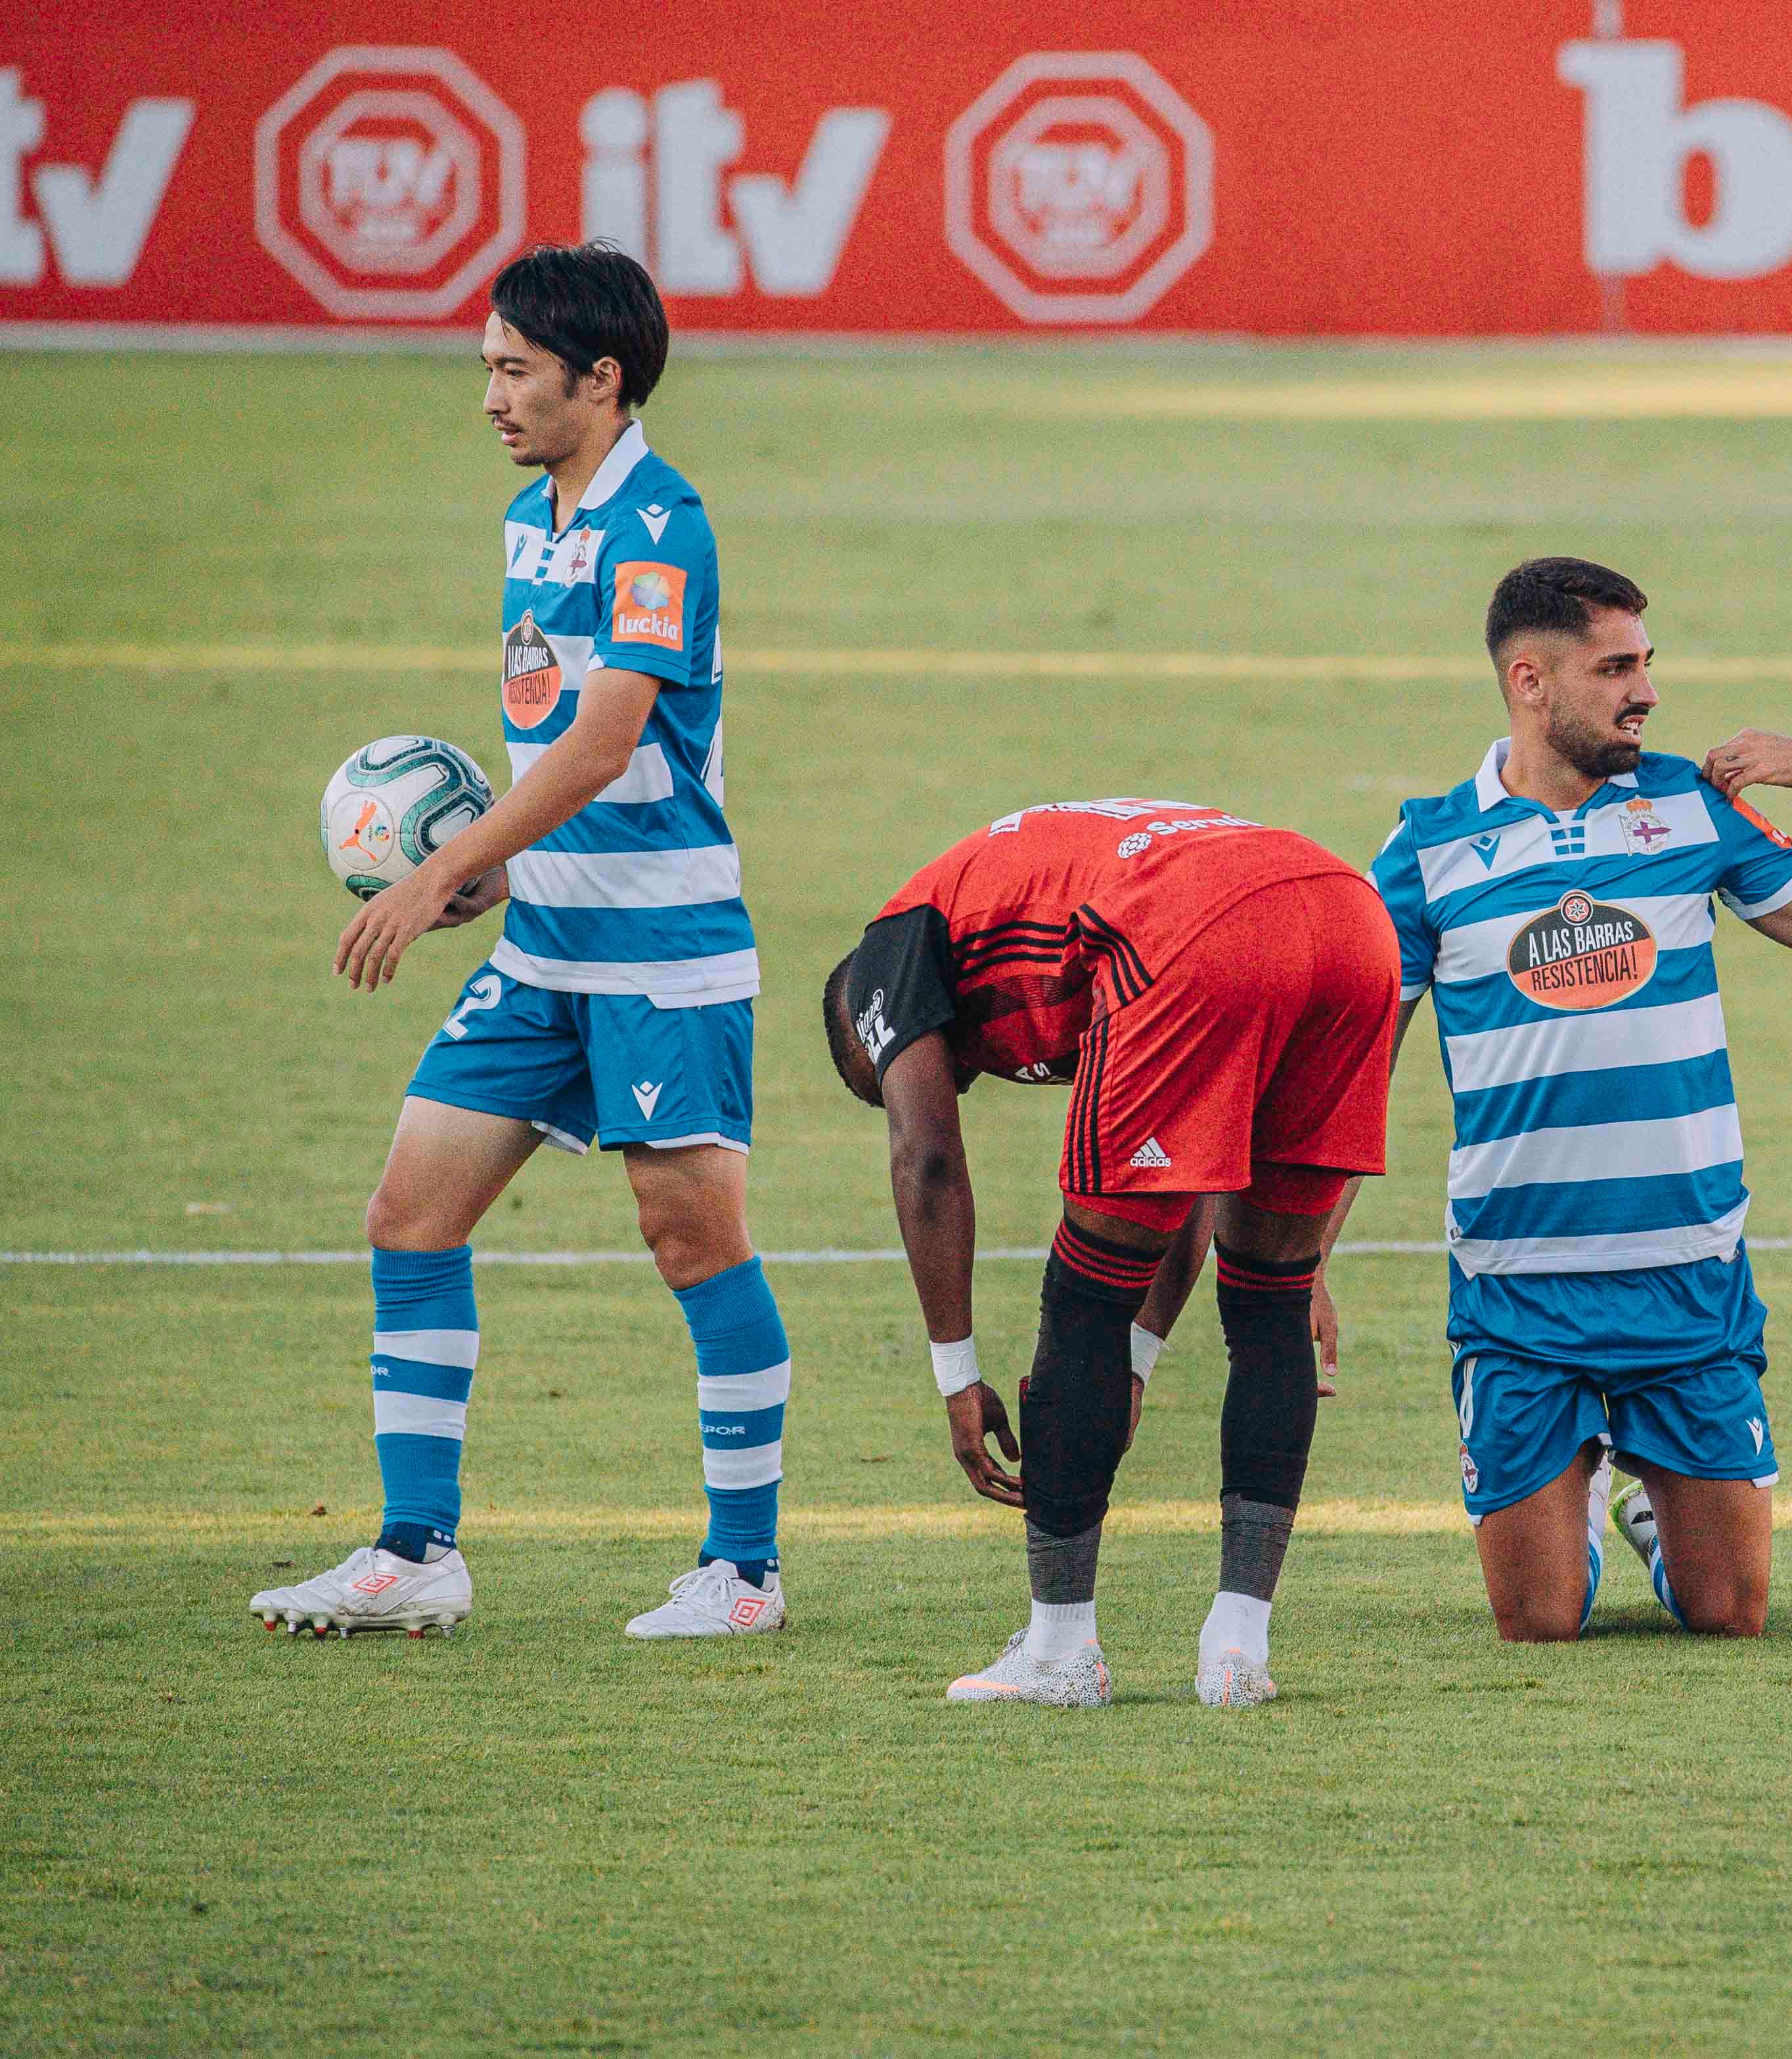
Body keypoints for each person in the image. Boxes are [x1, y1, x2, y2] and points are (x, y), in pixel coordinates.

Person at [252, 243, 794, 1643]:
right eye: (484, 366)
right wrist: (502, 872)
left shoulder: (661, 523)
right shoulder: (533, 517)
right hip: (550, 943)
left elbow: (611, 741)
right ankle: (415, 1548)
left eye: (514, 370)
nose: (488, 394)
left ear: (599, 380)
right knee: (410, 1213)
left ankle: (744, 1571)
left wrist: (443, 863)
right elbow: (555, 738)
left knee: (695, 1247)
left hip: (665, 957)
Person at [1332, 557, 1792, 1643]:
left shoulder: (1689, 806)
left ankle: (1649, 1502)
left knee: (1728, 1616)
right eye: (1616, 668)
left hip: (1685, 1275)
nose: (1647, 691)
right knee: (1539, 1624)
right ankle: (1583, 1501)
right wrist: (1302, 1265)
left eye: (1648, 664)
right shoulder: (1427, 851)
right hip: (1520, 1292)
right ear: (1530, 682)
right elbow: (1354, 1071)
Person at [821, 800, 1394, 1706]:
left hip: (1194, 923)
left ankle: (1059, 1651)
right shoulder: (1024, 903)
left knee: (1082, 1297)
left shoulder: (888, 954)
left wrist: (956, 1374)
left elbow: (925, 1157)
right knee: (1269, 1301)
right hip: (1351, 917)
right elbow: (1189, 1180)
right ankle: (1239, 1651)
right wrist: (1137, 1359)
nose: (957, 1078)